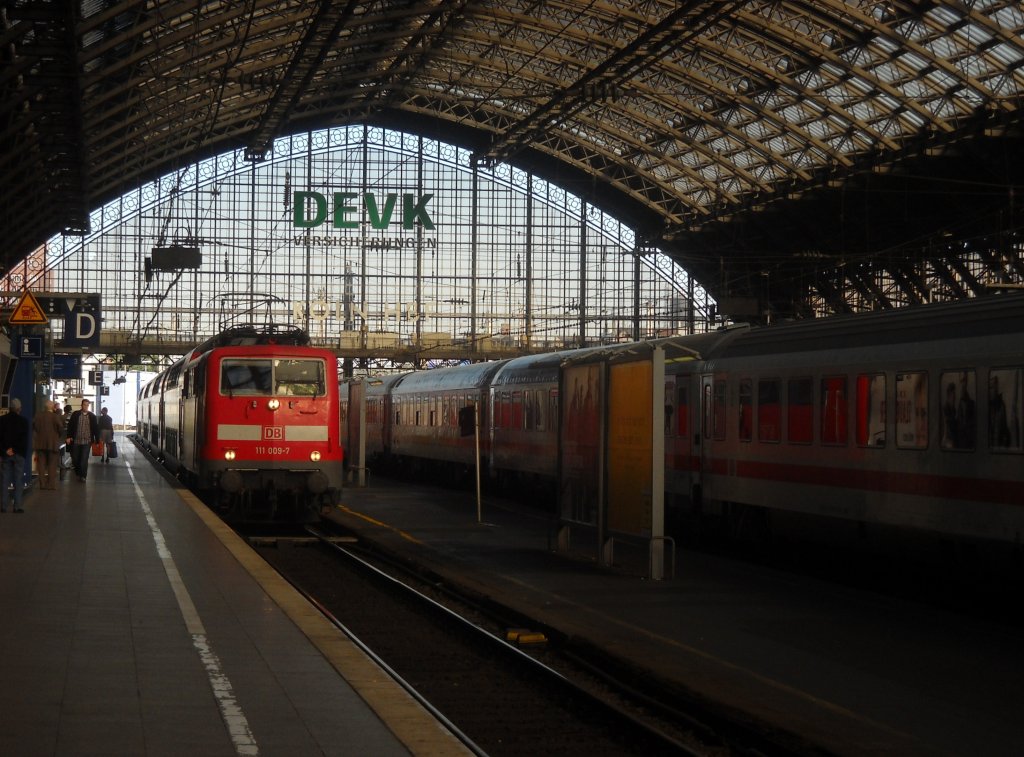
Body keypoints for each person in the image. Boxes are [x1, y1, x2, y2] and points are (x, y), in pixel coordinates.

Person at [0, 398, 30, 512]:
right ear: (19, 409)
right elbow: (23, 440)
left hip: (6, 454)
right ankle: (17, 506)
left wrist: (5, 451)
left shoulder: (2, 420)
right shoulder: (23, 421)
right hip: (19, 454)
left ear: (10, 408)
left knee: (4, 480)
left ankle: (3, 506)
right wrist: (15, 449)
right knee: (18, 480)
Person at [33, 399, 64, 490]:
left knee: (41, 464)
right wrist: (57, 436)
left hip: (40, 443)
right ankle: (51, 484)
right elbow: (61, 428)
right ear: (52, 407)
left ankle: (42, 484)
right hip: (52, 443)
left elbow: (34, 426)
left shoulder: (38, 416)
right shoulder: (55, 417)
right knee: (52, 464)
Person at [66, 398, 99, 482]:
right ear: (81, 405)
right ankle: (78, 472)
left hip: (87, 441)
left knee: (84, 459)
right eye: (85, 405)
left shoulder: (92, 416)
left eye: (87, 405)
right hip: (76, 440)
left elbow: (95, 428)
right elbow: (70, 426)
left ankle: (83, 476)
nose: (86, 406)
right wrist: (68, 437)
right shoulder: (76, 414)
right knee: (75, 458)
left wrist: (97, 440)